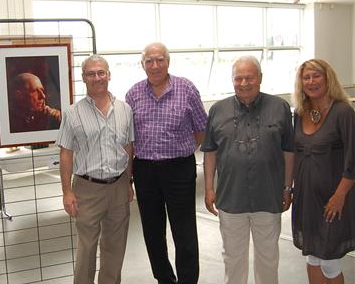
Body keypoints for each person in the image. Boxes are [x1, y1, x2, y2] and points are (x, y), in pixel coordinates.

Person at [200, 55, 294, 284]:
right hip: (231, 198)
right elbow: (210, 152)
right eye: (238, 78)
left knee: (268, 258)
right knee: (233, 258)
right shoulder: (218, 110)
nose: (244, 83)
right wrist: (209, 189)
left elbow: (289, 151)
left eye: (249, 77)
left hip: (268, 196)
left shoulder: (279, 107)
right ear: (232, 80)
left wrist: (287, 188)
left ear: (260, 78)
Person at [125, 42, 207, 284]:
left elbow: (201, 128)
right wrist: (129, 176)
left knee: (184, 232)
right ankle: (165, 279)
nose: (155, 65)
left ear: (168, 62)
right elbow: (129, 139)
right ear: (142, 65)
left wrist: (183, 152)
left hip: (179, 169)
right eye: (149, 61)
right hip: (145, 170)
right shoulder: (133, 94)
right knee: (152, 232)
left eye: (160, 60)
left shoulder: (186, 88)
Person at [56, 54, 134, 284]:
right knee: (87, 249)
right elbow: (66, 153)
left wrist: (128, 182)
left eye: (101, 72)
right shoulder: (73, 113)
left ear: (109, 75)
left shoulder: (124, 109)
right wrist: (67, 192)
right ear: (83, 78)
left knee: (115, 246)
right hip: (87, 189)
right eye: (91, 74)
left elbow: (128, 148)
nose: (97, 77)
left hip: (119, 185)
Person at [291, 59, 355, 284]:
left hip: (333, 199)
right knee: (313, 257)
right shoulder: (300, 113)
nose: (311, 81)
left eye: (316, 76)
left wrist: (339, 196)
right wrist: (289, 188)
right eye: (306, 77)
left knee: (329, 261)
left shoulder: (343, 112)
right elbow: (295, 154)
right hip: (306, 197)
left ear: (328, 78)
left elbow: (353, 160)